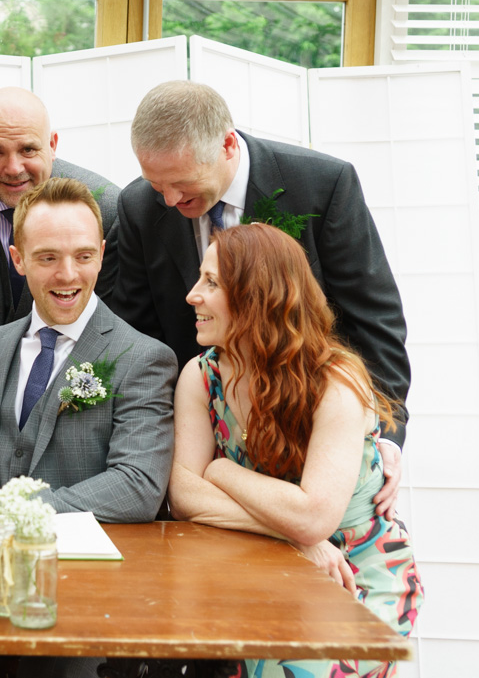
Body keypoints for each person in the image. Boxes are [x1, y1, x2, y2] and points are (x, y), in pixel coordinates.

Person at [112, 80, 410, 519]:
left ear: (227, 145)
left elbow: (374, 322)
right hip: (204, 440)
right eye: (157, 185)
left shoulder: (322, 184)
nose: (170, 200)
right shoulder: (139, 206)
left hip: (313, 435)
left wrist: (380, 436)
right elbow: (140, 336)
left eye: (181, 183)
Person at [169, 223, 423, 678]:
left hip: (352, 569)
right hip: (263, 559)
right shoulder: (200, 376)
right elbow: (184, 494)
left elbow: (314, 517)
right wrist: (290, 539)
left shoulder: (336, 381)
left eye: (211, 283)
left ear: (256, 296)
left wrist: (222, 470)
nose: (192, 295)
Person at [0, 178, 175, 522]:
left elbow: (138, 485)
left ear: (102, 255)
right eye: (48, 258)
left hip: (82, 563)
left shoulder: (143, 358)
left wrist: (25, 510)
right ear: (18, 259)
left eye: (84, 256)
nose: (68, 274)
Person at [0, 86, 121, 339]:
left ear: (52, 145)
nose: (14, 168)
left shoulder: (106, 210)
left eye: (28, 149)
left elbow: (113, 330)